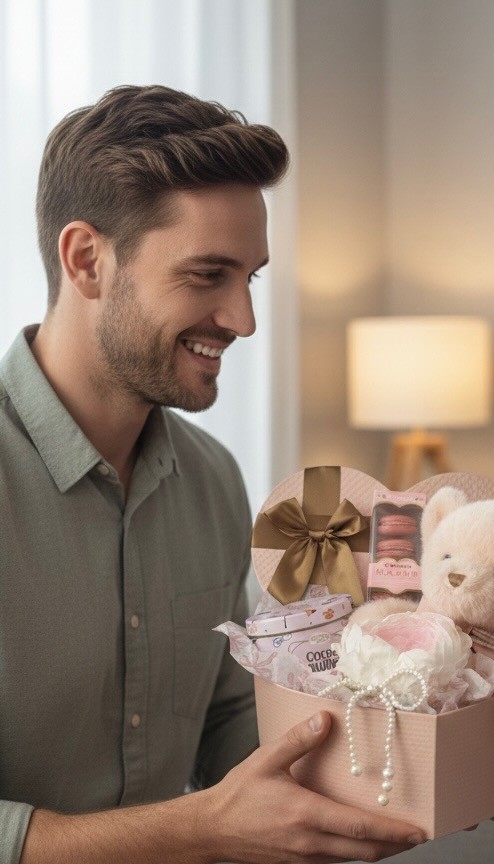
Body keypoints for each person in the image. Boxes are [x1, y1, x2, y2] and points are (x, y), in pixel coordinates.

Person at [0, 84, 427, 864]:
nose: (243, 320)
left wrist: (416, 767)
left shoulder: (212, 479)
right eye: (207, 276)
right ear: (86, 260)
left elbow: (234, 721)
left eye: (250, 279)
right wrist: (199, 829)